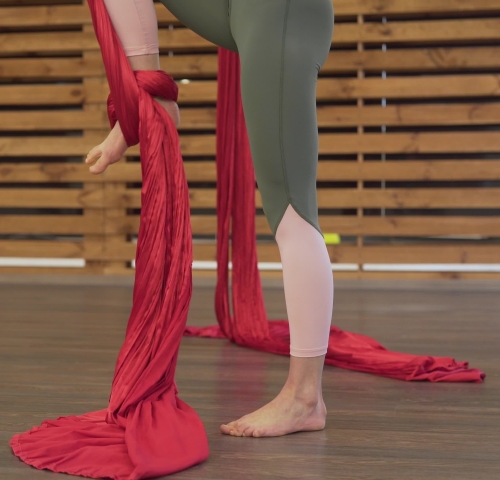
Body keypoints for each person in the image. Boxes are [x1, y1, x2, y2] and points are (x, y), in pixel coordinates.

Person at [85, 0, 335, 438]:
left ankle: (304, 398)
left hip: (279, 12)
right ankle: (154, 94)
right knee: (289, 207)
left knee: (291, 208)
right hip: (239, 10)